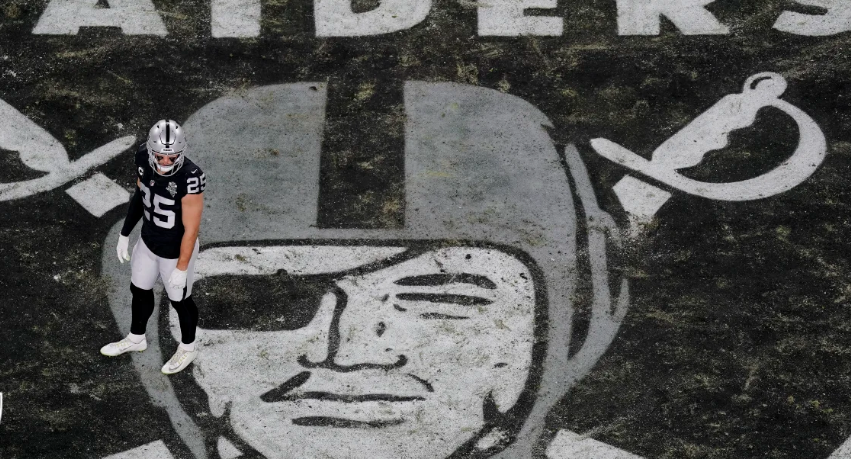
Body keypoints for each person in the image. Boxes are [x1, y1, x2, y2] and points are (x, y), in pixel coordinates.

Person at [100, 119, 206, 375]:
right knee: (139, 290)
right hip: (148, 241)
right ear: (150, 151)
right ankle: (136, 338)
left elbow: (191, 230)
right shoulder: (142, 158)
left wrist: (182, 267)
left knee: (180, 301)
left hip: (176, 250)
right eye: (160, 156)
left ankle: (188, 348)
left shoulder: (190, 177)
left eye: (172, 156)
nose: (166, 161)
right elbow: (140, 194)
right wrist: (125, 232)